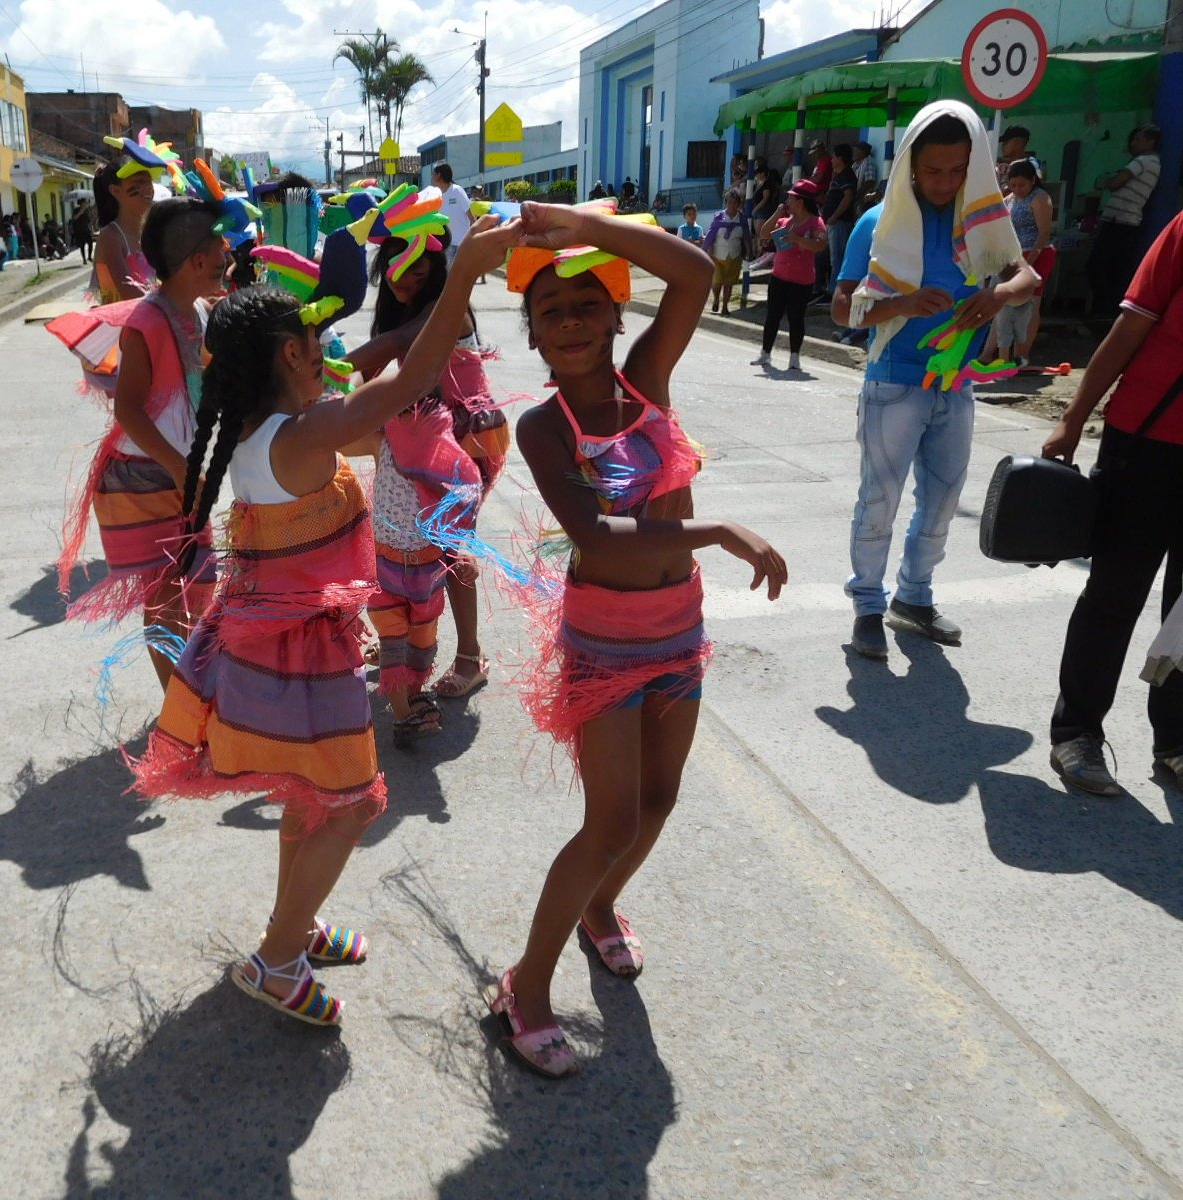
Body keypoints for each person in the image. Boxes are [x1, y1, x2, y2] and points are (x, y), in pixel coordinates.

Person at [129, 216, 521, 1028]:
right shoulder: (304, 435)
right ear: (291, 357)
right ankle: (275, 961)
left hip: (286, 646)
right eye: (311, 343)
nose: (322, 351)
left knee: (309, 796)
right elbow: (414, 374)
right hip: (300, 659)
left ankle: (294, 928)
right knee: (353, 804)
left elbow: (383, 408)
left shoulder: (255, 430)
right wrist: (466, 273)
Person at [489, 201, 786, 1077]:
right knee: (609, 817)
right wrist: (716, 532)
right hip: (606, 644)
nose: (572, 322)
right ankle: (527, 986)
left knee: (658, 804)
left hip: (677, 629)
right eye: (551, 313)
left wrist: (575, 226)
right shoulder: (545, 428)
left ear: (619, 315)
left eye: (588, 305)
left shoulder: (649, 381)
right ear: (535, 339)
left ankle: (601, 908)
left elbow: (695, 272)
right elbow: (593, 535)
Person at [831, 100, 1036, 659]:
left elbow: (1028, 275)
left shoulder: (982, 224)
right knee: (879, 501)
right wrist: (903, 303)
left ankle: (914, 597)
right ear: (909, 168)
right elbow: (840, 308)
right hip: (894, 380)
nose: (944, 183)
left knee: (942, 501)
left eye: (957, 170)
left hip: (956, 385)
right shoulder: (879, 222)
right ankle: (869, 605)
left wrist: (996, 296)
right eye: (932, 171)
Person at [57, 199, 229, 691]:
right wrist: (180, 467)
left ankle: (194, 693)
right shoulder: (147, 323)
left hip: (181, 474)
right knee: (166, 600)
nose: (227, 254)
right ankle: (180, 708)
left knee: (199, 587)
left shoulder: (196, 308)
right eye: (220, 247)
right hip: (144, 478)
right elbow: (129, 410)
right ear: (197, 261)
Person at [1041, 210, 1183, 795]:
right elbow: (1128, 329)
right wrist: (1073, 419)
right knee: (1116, 594)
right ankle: (1075, 732)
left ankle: (1175, 740)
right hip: (1147, 444)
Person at [345, 221, 510, 718]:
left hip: (463, 447)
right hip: (415, 449)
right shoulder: (399, 316)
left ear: (439, 265)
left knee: (450, 550)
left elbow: (397, 344)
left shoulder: (446, 310)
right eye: (394, 260)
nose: (403, 274)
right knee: (402, 545)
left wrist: (320, 366)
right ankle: (401, 642)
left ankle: (469, 654)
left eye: (417, 262)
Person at [985, 160, 1055, 365]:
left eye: (1022, 185)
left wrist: (1029, 264)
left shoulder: (1040, 198)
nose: (1017, 189)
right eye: (1013, 185)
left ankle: (1021, 354)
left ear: (1033, 180)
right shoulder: (1010, 199)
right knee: (1001, 305)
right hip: (1013, 256)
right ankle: (989, 353)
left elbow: (1043, 234)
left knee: (1030, 306)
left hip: (1036, 255)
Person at [754, 179, 826, 372]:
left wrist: (798, 239)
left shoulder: (815, 222)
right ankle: (765, 353)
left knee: (796, 318)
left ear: (800, 202)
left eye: (791, 198)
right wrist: (777, 213)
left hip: (802, 280)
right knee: (773, 316)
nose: (788, 201)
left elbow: (820, 245)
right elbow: (764, 233)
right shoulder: (785, 221)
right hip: (779, 276)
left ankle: (794, 357)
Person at [1089, 125, 1162, 315]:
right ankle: (1109, 312)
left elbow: (1114, 184)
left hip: (1118, 221)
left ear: (1150, 141)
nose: (1133, 143)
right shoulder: (1155, 163)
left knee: (1095, 265)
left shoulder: (1142, 161)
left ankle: (1103, 309)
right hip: (1129, 222)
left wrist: (1104, 179)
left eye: (1138, 139)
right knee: (1116, 271)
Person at [90, 150, 157, 304]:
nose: (148, 187)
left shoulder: (150, 232)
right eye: (138, 182)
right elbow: (129, 293)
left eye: (148, 181)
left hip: (148, 320)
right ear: (116, 191)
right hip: (120, 326)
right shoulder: (111, 236)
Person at [702, 189, 753, 315]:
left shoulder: (742, 219)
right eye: (729, 202)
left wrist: (749, 251)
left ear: (739, 204)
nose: (732, 205)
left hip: (734, 255)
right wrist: (707, 249)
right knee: (717, 281)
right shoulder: (719, 217)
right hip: (717, 254)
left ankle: (725, 306)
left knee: (729, 283)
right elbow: (711, 234)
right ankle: (716, 300)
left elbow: (746, 236)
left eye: (735, 203)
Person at [821, 144, 859, 294]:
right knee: (828, 258)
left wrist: (835, 216)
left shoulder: (847, 176)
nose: (831, 159)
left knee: (837, 259)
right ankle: (826, 288)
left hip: (840, 223)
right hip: (832, 222)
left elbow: (848, 196)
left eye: (834, 156)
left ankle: (834, 292)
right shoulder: (838, 175)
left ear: (840, 158)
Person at [432, 161, 472, 262]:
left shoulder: (457, 191)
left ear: (439, 175)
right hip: (447, 245)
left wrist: (475, 237)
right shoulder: (437, 196)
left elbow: (471, 216)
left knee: (461, 276)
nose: (432, 177)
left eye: (433, 174)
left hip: (462, 244)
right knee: (449, 276)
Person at [995, 125, 1043, 191]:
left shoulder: (1030, 161)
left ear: (1018, 143)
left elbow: (1038, 177)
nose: (1003, 146)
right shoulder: (998, 162)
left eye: (1006, 143)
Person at [71, 197, 96, 264]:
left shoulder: (87, 211)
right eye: (85, 202)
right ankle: (84, 259)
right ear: (82, 203)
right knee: (82, 245)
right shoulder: (76, 209)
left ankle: (89, 257)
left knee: (90, 243)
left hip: (86, 230)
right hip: (79, 231)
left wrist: (91, 228)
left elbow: (88, 221)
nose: (86, 204)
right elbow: (74, 218)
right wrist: (80, 213)